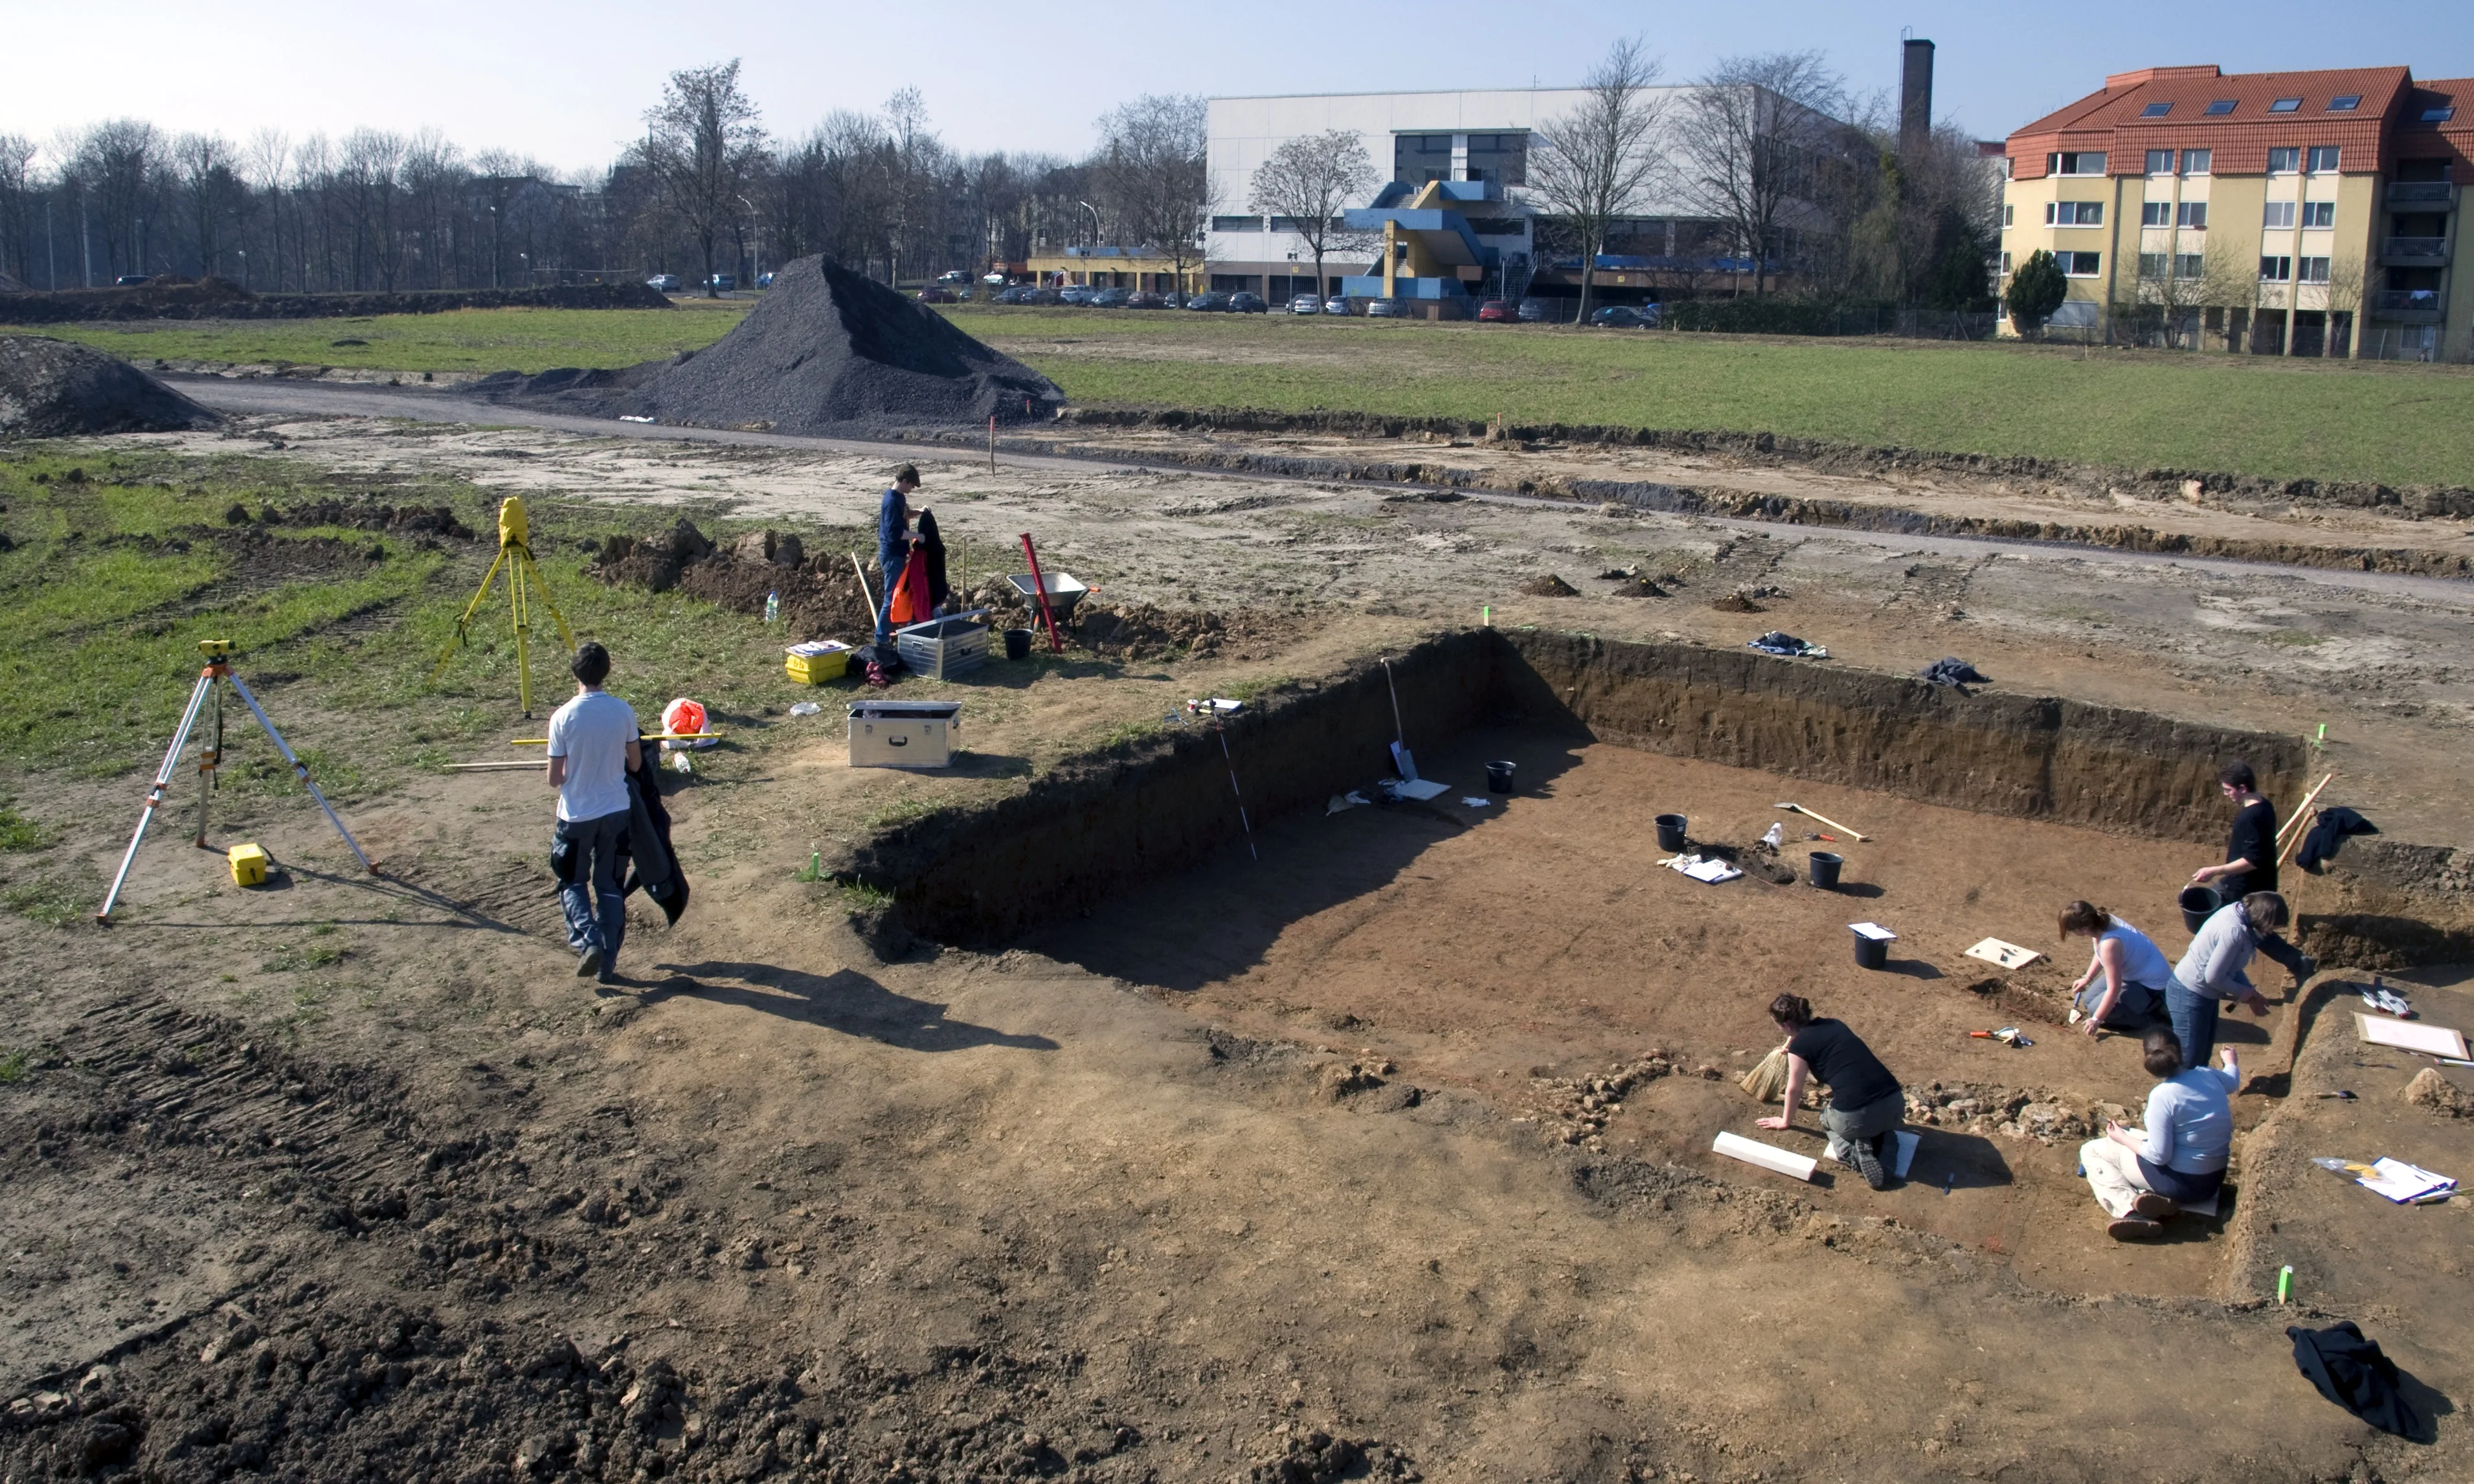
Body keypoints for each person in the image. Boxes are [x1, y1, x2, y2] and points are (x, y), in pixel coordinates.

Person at [2078, 1028, 2240, 1240]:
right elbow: (2233, 1081)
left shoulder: (2162, 1097)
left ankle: (2130, 1211)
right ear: (2180, 1052)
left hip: (2182, 1184)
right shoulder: (2208, 1075)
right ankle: (2153, 1200)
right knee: (2135, 1137)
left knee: (2091, 1150)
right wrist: (2231, 1062)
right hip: (2212, 1182)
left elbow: (2159, 1156)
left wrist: (2122, 1138)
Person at [546, 642, 640, 985]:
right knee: (610, 885)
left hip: (576, 815)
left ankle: (588, 940)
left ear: (575, 674)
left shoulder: (563, 717)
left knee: (572, 880)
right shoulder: (622, 711)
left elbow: (555, 779)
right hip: (616, 812)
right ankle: (607, 964)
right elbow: (635, 763)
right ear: (607, 672)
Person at [1755, 993, 1905, 1190]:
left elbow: (1794, 1088)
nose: (1778, 1029)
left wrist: (1785, 1121)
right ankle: (1886, 1139)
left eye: (1777, 1025)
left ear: (1787, 1026)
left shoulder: (1800, 1047)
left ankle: (1855, 1155)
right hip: (1895, 1104)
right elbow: (1828, 1051)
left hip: (1858, 1116)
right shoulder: (1834, 1024)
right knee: (1877, 1122)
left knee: (1827, 1117)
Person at [2188, 760, 2317, 988]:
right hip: (2250, 883)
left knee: (2219, 924)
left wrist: (2214, 870)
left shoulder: (2251, 817)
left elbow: (2251, 861)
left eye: (2229, 790)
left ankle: (2222, 975)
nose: (2226, 794)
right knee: (2253, 930)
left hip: (2244, 887)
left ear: (2243, 788)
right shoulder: (2264, 806)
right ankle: (2296, 962)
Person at [2167, 892, 2285, 1070]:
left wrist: (2251, 993)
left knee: (2201, 1057)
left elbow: (2230, 968)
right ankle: (2175, 1097)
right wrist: (2246, 994)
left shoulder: (2238, 912)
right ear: (2263, 918)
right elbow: (2214, 977)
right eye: (2272, 927)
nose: (2270, 932)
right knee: (2188, 1061)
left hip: (2202, 994)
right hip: (2189, 995)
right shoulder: (2234, 932)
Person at [2060, 900, 2172, 1036]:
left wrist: (2096, 1020)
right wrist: (2087, 977)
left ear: (2084, 929)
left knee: (2098, 1011)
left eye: (2072, 930)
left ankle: (2152, 1017)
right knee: (2089, 1000)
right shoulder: (2099, 923)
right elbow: (2100, 953)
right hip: (2133, 974)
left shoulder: (2110, 943)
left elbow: (2114, 988)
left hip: (2151, 985)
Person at [873, 465, 921, 646]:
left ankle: (891, 630)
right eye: (912, 486)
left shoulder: (899, 498)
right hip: (892, 556)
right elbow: (895, 532)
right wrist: (918, 536)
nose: (912, 490)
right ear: (904, 481)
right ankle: (881, 639)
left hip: (898, 554)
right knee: (891, 598)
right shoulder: (891, 501)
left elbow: (905, 515)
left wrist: (920, 513)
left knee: (898, 595)